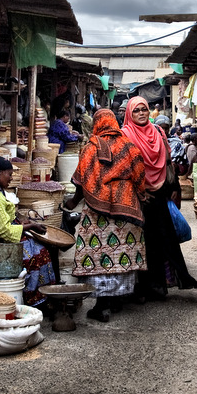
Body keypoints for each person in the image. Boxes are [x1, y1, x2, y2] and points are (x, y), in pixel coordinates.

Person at [65, 109, 149, 322]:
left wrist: (73, 202)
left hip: (96, 207)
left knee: (99, 252)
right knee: (123, 250)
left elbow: (81, 178)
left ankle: (102, 305)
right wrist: (141, 194)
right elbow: (139, 173)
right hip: (126, 203)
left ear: (96, 124)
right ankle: (116, 300)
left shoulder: (90, 147)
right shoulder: (128, 146)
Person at [121, 96, 197, 300]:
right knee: (139, 241)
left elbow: (167, 161)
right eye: (136, 110)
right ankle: (141, 286)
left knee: (162, 239)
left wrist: (173, 188)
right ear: (130, 113)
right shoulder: (125, 135)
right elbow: (124, 168)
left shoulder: (158, 132)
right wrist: (138, 192)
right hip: (137, 195)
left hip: (159, 193)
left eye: (143, 109)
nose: (141, 113)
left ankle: (159, 285)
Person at [0, 156, 55, 306]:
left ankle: (42, 295)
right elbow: (3, 231)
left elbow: (3, 220)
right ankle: (35, 299)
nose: (11, 178)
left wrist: (24, 222)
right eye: (9, 174)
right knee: (38, 253)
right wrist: (31, 226)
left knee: (37, 245)